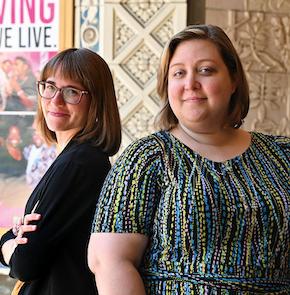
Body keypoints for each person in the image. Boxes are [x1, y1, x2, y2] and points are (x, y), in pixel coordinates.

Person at [88, 24, 290, 294]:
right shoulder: (147, 158)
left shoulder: (281, 154)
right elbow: (110, 260)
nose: (190, 83)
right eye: (179, 73)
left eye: (205, 70)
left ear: (233, 81)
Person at [0, 48, 121, 294]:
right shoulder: (73, 157)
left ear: (96, 101)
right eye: (50, 87)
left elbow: (25, 263)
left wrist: (7, 244)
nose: (55, 100)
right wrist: (14, 239)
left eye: (72, 92)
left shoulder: (80, 163)